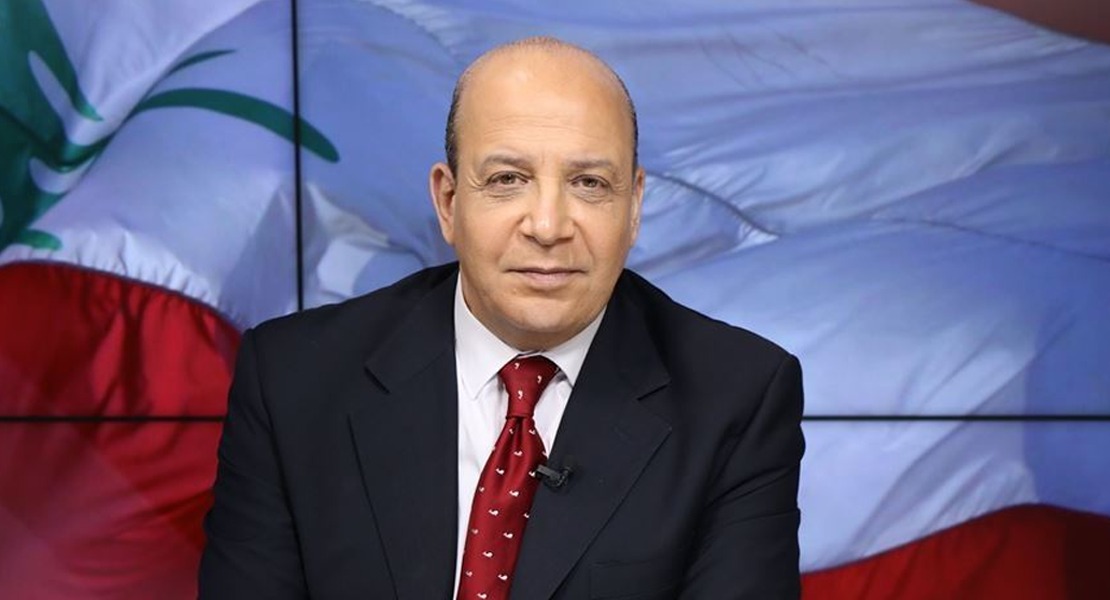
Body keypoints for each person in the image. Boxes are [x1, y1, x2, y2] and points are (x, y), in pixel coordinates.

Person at [199, 36, 804, 599]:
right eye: (508, 179)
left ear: (634, 206)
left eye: (589, 183)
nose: (548, 226)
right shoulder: (293, 380)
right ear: (449, 202)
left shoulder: (737, 397)